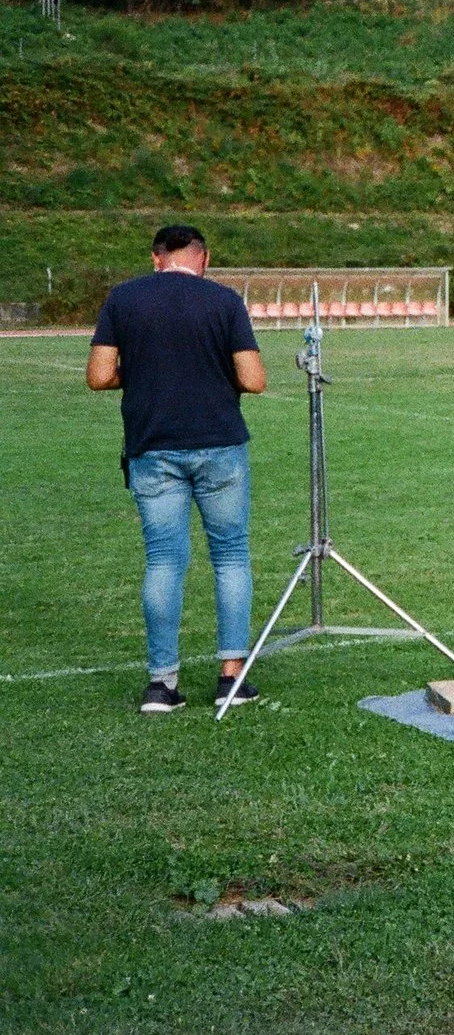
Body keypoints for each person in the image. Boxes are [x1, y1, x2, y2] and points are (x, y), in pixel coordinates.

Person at [87, 225, 270, 713]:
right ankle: (232, 677)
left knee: (164, 560)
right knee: (230, 556)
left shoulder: (123, 299)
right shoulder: (224, 301)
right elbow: (254, 380)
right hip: (219, 445)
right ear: (203, 258)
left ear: (156, 258)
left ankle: (161, 684)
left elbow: (99, 375)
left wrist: (142, 370)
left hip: (153, 446)